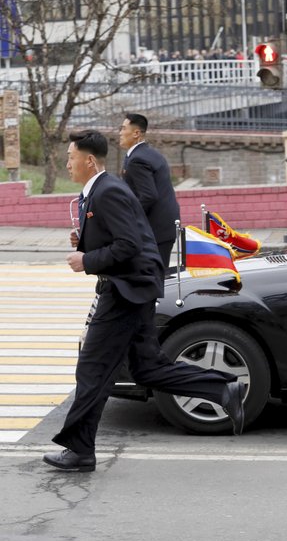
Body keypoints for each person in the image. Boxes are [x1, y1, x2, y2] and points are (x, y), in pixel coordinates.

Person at [45, 130, 245, 473]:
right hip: (133, 288)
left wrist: (87, 261)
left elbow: (130, 245)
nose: (67, 163)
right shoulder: (97, 192)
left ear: (89, 160)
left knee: (92, 369)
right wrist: (86, 243)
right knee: (147, 367)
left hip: (125, 291)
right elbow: (121, 237)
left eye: (70, 157)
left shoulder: (107, 191)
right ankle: (224, 388)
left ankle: (80, 451)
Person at [118, 113, 180, 267]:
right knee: (157, 277)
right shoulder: (149, 153)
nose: (120, 132)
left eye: (123, 128)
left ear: (136, 133)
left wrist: (127, 218)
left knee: (153, 279)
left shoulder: (138, 159)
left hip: (155, 231)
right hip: (164, 227)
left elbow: (148, 196)